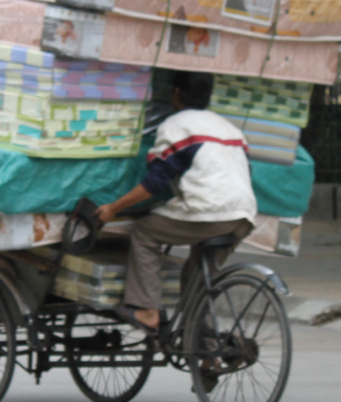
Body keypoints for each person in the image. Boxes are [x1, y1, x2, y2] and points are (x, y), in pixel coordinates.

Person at [96, 71, 258, 332]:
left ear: (176, 94)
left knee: (144, 232)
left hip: (208, 212)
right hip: (242, 215)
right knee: (198, 277)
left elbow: (154, 184)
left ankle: (148, 310)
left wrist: (114, 208)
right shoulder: (231, 129)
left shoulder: (176, 125)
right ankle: (205, 350)